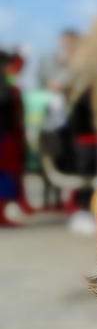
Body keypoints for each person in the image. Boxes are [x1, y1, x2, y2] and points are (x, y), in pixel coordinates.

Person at [0, 50, 27, 226]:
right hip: (6, 138)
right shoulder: (9, 90)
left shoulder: (11, 89)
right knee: (5, 174)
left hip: (8, 136)